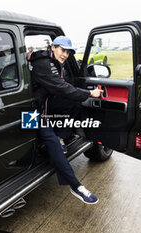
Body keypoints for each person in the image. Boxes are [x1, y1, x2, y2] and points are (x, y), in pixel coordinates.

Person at [29, 36, 103, 204]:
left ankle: (60, 136)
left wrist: (79, 93)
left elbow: (62, 87)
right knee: (52, 143)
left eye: (68, 52)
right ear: (53, 47)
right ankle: (76, 186)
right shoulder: (44, 63)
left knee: (75, 103)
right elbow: (60, 87)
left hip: (44, 106)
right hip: (30, 113)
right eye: (63, 50)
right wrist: (89, 93)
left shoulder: (53, 62)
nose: (65, 55)